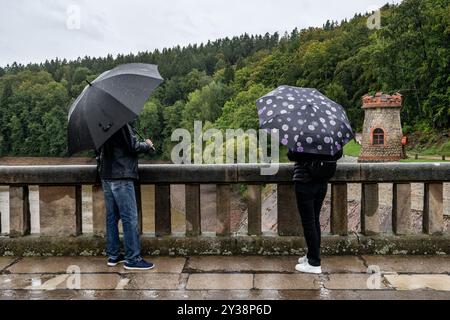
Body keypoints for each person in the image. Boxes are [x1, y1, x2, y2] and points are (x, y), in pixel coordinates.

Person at [96, 123, 154, 270]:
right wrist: (147, 145)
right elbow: (132, 146)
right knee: (129, 218)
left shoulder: (99, 123)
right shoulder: (119, 122)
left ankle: (113, 255)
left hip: (106, 175)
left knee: (112, 217)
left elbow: (97, 149)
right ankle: (133, 259)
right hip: (121, 174)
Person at [288, 149, 343, 274]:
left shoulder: (303, 137)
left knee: (309, 222)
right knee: (314, 220)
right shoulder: (327, 138)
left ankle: (314, 263)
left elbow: (292, 155)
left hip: (304, 182)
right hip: (321, 182)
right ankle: (311, 255)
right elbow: (338, 154)